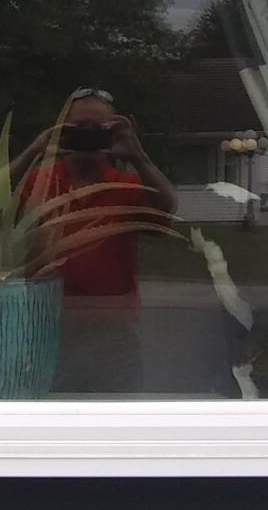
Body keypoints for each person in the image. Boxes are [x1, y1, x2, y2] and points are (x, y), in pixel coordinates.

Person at [11, 87, 178, 394]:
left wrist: (137, 155)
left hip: (114, 331)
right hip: (48, 328)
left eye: (97, 129)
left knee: (122, 422)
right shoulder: (40, 181)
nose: (87, 136)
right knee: (48, 418)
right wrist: (37, 149)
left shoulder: (126, 184)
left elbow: (167, 210)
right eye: (78, 127)